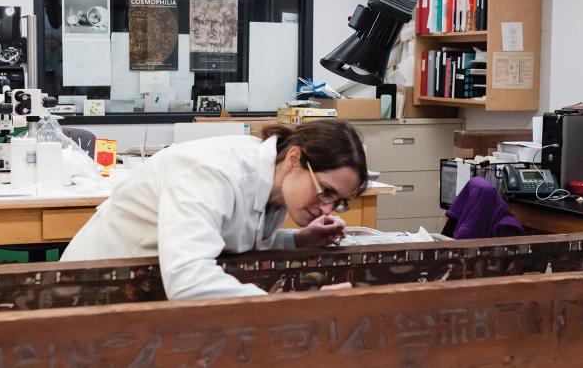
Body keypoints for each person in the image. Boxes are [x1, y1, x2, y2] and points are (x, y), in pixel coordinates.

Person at [60, 120, 368, 300]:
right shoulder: (215, 172)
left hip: (146, 285)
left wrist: (295, 241)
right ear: (294, 158)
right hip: (93, 288)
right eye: (325, 191)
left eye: (337, 201)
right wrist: (299, 304)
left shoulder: (275, 188)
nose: (327, 208)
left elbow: (227, 234)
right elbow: (188, 279)